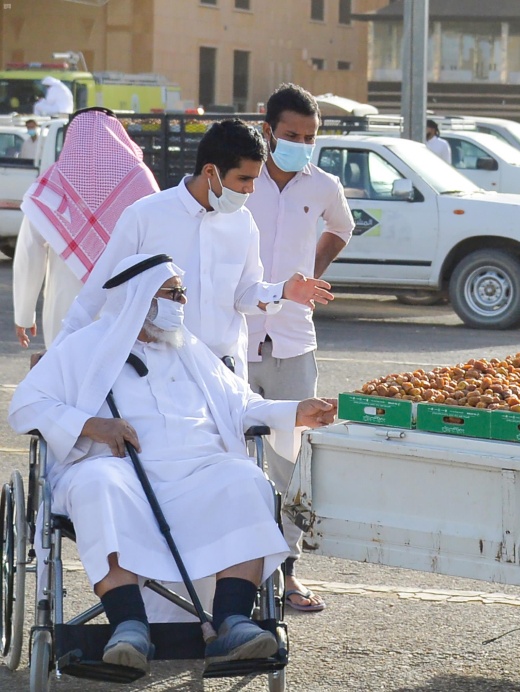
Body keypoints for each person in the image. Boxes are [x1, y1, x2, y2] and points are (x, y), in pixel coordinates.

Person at [8, 253, 337, 672]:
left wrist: (294, 411)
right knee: (96, 485)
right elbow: (25, 407)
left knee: (246, 480)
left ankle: (234, 622)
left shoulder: (189, 348)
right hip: (119, 471)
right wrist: (92, 424)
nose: (181, 302)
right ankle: (128, 627)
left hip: (199, 470)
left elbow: (243, 406)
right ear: (140, 298)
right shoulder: (83, 347)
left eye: (182, 293)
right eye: (172, 293)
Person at [54, 119, 334, 380]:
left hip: (222, 373)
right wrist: (58, 356)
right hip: (158, 374)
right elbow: (98, 293)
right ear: (210, 171)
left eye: (254, 181)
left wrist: (282, 291)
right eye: (243, 179)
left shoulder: (243, 222)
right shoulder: (145, 216)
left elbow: (244, 294)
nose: (250, 190)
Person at [246, 83, 354, 613]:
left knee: (289, 463)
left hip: (293, 337)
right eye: (291, 135)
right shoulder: (241, 178)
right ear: (268, 131)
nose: (300, 144)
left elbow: (342, 228)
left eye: (309, 137)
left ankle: (287, 574)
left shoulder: (324, 184)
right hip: (234, 338)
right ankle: (231, 578)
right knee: (230, 457)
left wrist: (311, 274)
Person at [14, 108, 159, 349]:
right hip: (123, 305)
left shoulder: (54, 183)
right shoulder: (140, 180)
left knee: (66, 378)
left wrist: (24, 313)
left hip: (65, 306)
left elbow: (30, 252)